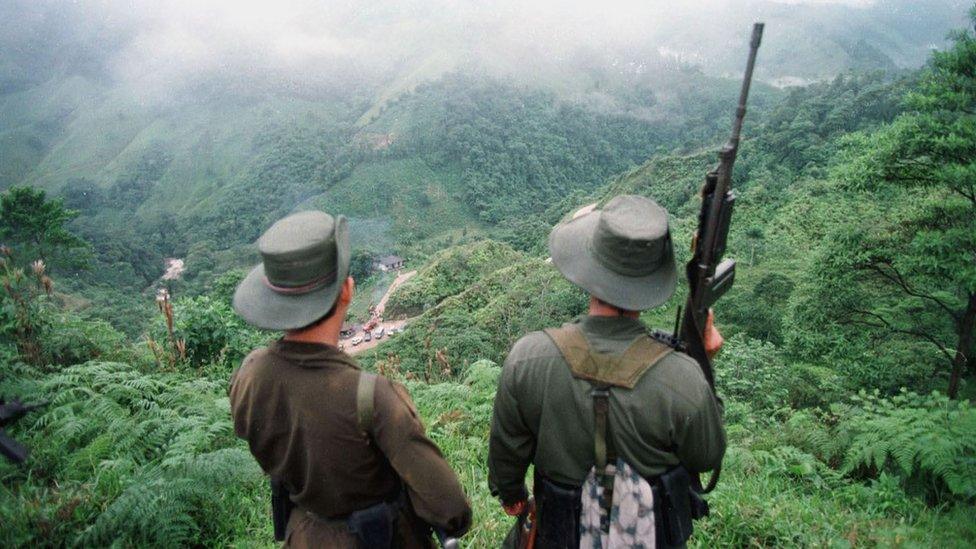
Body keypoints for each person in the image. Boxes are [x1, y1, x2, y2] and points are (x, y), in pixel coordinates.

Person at [488, 195, 726, 548]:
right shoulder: (683, 378)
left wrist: (512, 496)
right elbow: (706, 455)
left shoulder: (529, 358)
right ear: (650, 282)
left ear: (590, 272)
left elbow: (507, 452)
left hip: (558, 535)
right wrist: (703, 365)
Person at [228, 210, 471, 548]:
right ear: (346, 291)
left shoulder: (249, 374)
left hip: (302, 535)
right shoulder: (373, 398)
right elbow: (450, 508)